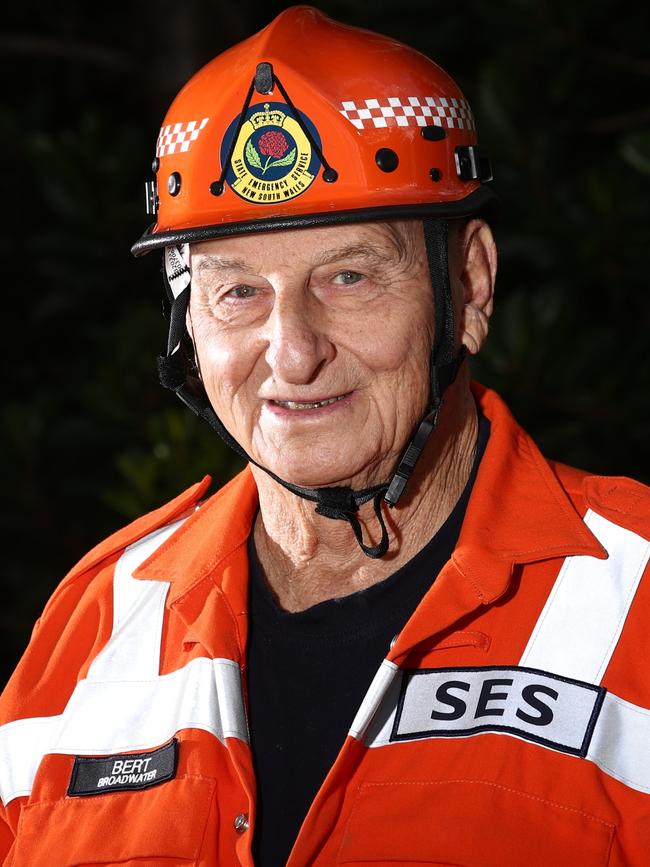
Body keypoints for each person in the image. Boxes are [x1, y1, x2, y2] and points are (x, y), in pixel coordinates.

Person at [1, 5, 649, 865]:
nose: (294, 353)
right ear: (187, 320)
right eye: (237, 292)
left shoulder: (634, 596)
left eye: (349, 275)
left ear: (472, 285)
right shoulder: (95, 621)